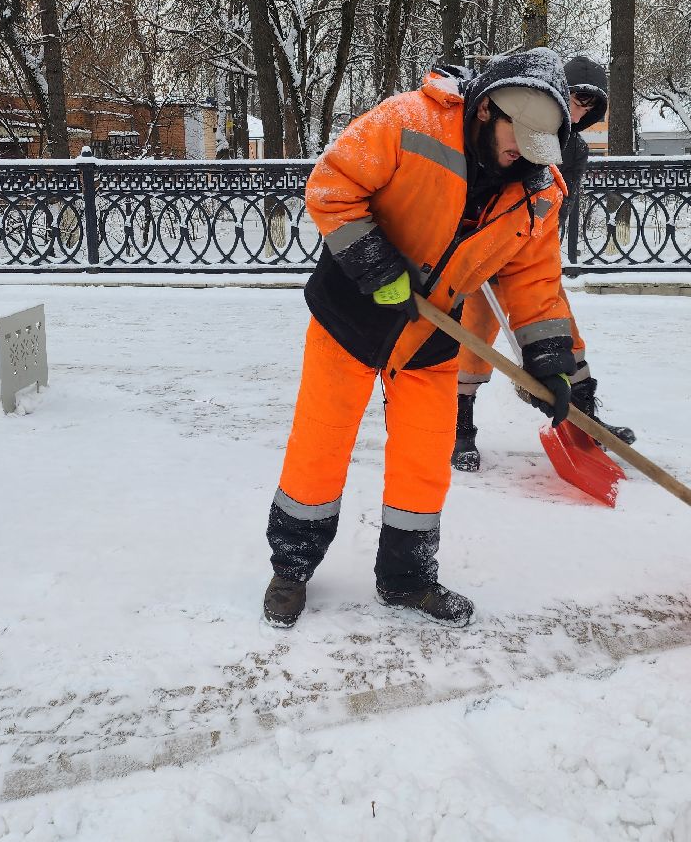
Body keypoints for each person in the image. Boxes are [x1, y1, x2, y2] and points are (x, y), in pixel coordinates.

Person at [263, 49, 579, 629]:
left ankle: (408, 579)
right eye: (520, 136)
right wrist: (376, 265)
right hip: (352, 314)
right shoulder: (408, 122)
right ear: (488, 111)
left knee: (425, 460)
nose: (523, 153)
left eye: (540, 142)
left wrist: (552, 362)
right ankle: (291, 567)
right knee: (321, 444)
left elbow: (535, 284)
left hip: (434, 328)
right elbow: (332, 185)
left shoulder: (538, 192)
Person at [452, 54, 636, 472]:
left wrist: (532, 246)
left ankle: (584, 420)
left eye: (589, 105)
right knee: (472, 343)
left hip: (531, 251)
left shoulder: (574, 149)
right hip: (482, 256)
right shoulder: (506, 125)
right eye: (574, 96)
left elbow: (557, 203)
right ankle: (459, 428)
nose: (578, 108)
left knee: (560, 334)